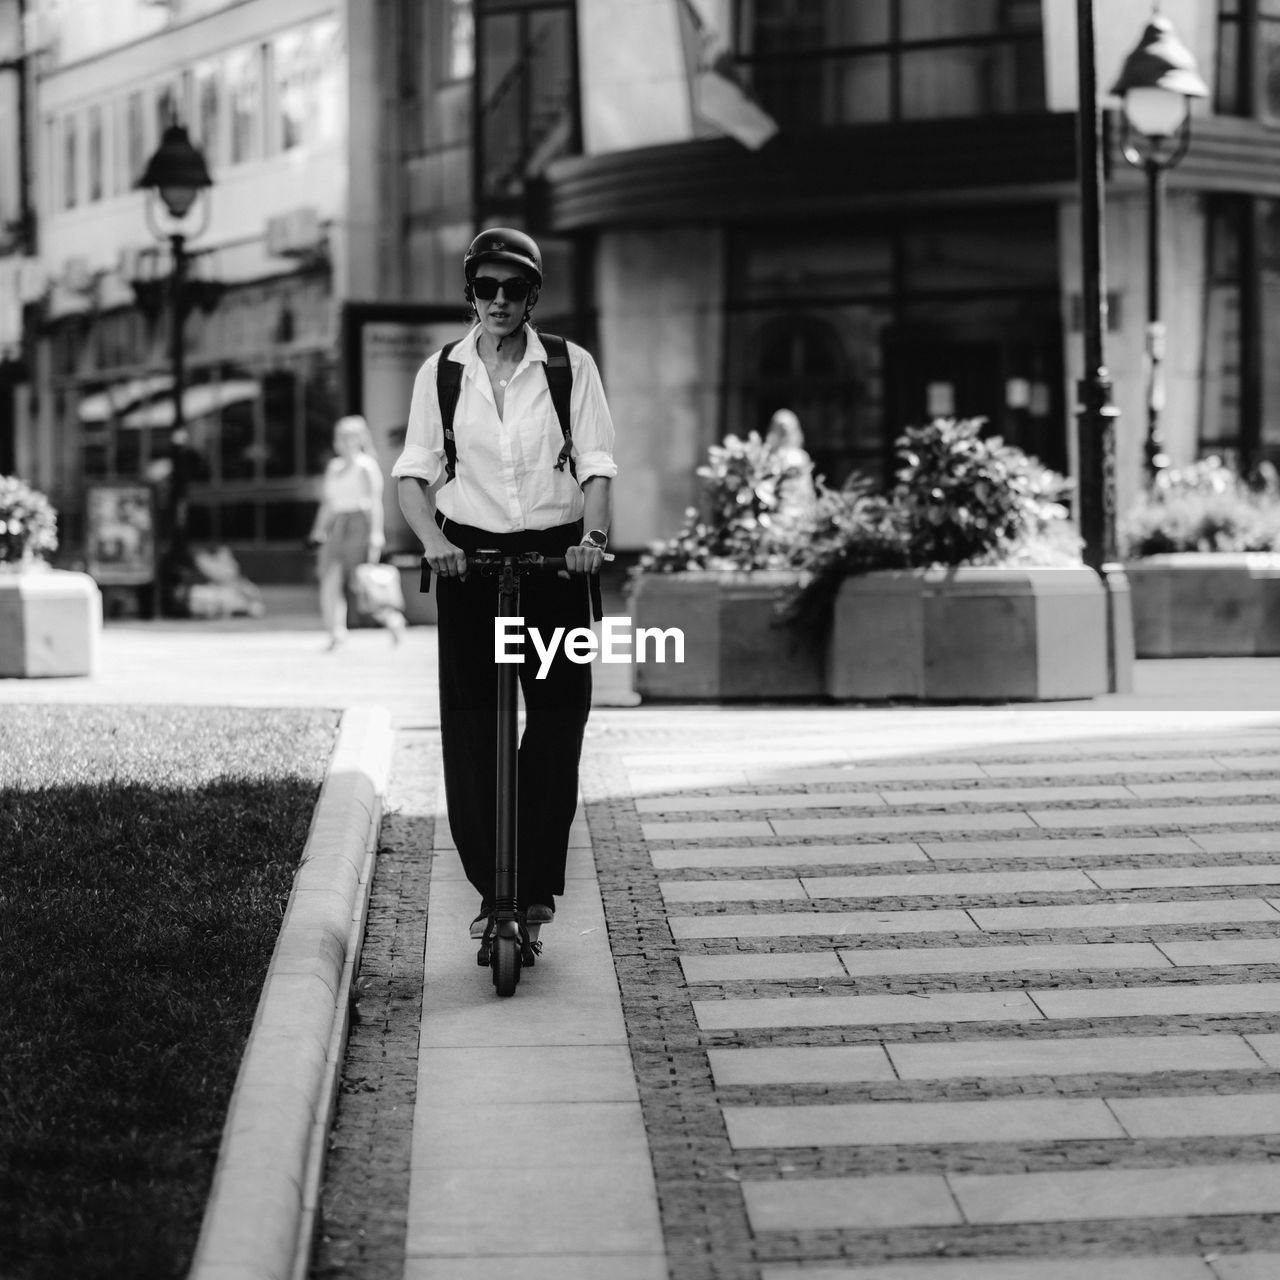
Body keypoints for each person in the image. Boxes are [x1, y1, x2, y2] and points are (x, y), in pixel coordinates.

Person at [393, 227, 617, 945]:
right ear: (470, 292)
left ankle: (536, 880)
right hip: (469, 564)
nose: (497, 300)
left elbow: (597, 464)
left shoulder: (568, 366)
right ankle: (496, 888)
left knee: (558, 718)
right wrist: (434, 545)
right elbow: (413, 475)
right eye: (485, 287)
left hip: (555, 562)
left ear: (531, 297)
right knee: (474, 726)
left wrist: (592, 542)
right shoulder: (442, 373)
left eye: (512, 289)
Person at [309, 414, 405, 650]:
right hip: (337, 526)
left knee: (360, 582)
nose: (342, 441)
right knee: (329, 579)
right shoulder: (334, 467)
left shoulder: (366, 466)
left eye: (347, 437)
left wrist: (376, 534)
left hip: (359, 524)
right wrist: (318, 530)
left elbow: (374, 502)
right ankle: (335, 632)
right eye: (340, 436)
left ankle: (392, 620)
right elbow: (328, 504)